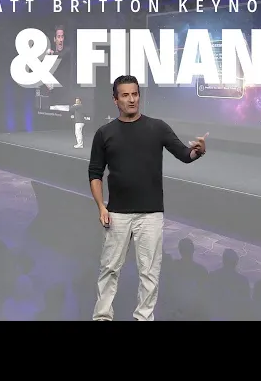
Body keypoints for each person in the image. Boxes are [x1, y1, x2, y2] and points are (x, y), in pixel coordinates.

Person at [88, 75, 208, 321]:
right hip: (117, 214)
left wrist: (198, 152)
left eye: (135, 94)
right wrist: (101, 207)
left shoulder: (157, 127)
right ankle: (102, 317)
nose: (131, 99)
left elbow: (185, 155)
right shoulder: (104, 133)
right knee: (109, 269)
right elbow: (95, 173)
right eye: (125, 95)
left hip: (150, 214)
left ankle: (143, 318)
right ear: (115, 100)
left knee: (149, 273)